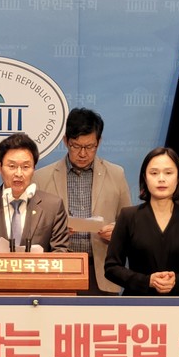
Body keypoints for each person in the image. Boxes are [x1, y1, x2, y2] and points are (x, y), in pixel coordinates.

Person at [34, 108, 131, 295]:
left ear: (99, 142)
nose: (83, 153)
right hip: (58, 269)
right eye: (76, 146)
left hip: (101, 271)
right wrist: (54, 232)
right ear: (65, 141)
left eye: (90, 147)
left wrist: (117, 232)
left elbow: (130, 225)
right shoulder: (41, 178)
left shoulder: (116, 174)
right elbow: (31, 229)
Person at [105, 147, 179, 295]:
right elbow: (111, 267)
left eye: (168, 173)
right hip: (137, 303)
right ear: (145, 178)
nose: (161, 179)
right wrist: (146, 281)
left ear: (178, 178)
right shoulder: (128, 216)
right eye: (154, 173)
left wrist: (177, 281)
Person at [0, 133, 70, 253]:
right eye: (12, 166)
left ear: (34, 168)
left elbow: (61, 253)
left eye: (26, 167)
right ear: (0, 167)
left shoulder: (52, 207)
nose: (19, 173)